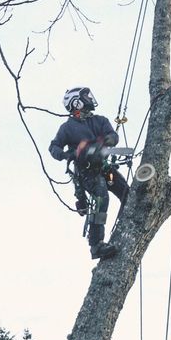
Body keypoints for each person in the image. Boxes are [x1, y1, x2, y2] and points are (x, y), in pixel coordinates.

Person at [48, 85, 128, 260]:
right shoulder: (67, 128)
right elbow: (53, 147)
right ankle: (96, 245)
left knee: (126, 192)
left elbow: (113, 136)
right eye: (86, 97)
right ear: (76, 103)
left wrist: (106, 141)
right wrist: (66, 154)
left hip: (104, 167)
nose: (90, 99)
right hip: (86, 172)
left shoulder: (100, 120)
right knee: (101, 197)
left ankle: (127, 221)